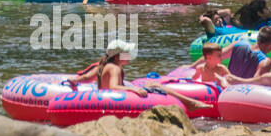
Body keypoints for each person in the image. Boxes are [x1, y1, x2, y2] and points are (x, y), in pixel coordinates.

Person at [65, 41, 209, 110]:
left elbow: (85, 78)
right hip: (115, 101)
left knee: (150, 85)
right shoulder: (115, 68)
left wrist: (74, 81)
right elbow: (114, 87)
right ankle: (190, 103)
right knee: (157, 85)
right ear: (117, 56)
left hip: (104, 98)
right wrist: (134, 90)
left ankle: (190, 103)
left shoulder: (101, 66)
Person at [200, 25, 271, 88]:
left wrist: (191, 66)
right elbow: (255, 85)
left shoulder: (239, 43)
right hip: (240, 92)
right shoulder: (265, 61)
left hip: (226, 82)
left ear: (258, 39)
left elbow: (212, 56)